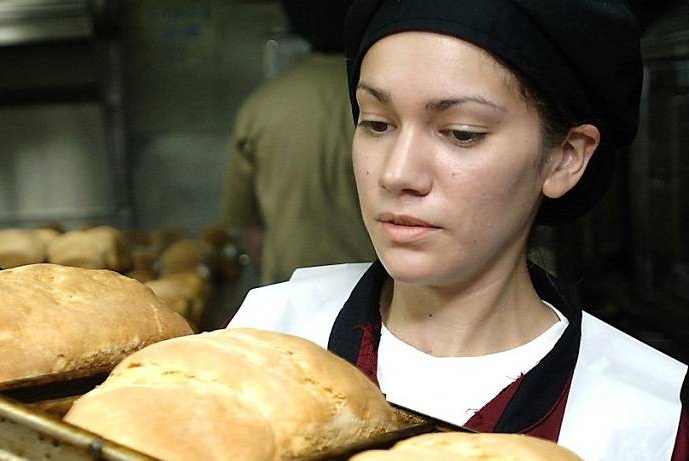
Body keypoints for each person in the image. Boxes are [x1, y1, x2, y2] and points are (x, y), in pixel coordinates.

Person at [227, 1, 688, 459]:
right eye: (376, 123)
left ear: (566, 156)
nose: (397, 173)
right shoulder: (263, 337)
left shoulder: (647, 423)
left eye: (461, 132)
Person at [221, 0, 376, 285]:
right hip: (375, 296)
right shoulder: (384, 102)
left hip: (289, 292)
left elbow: (250, 227)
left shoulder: (261, 106)